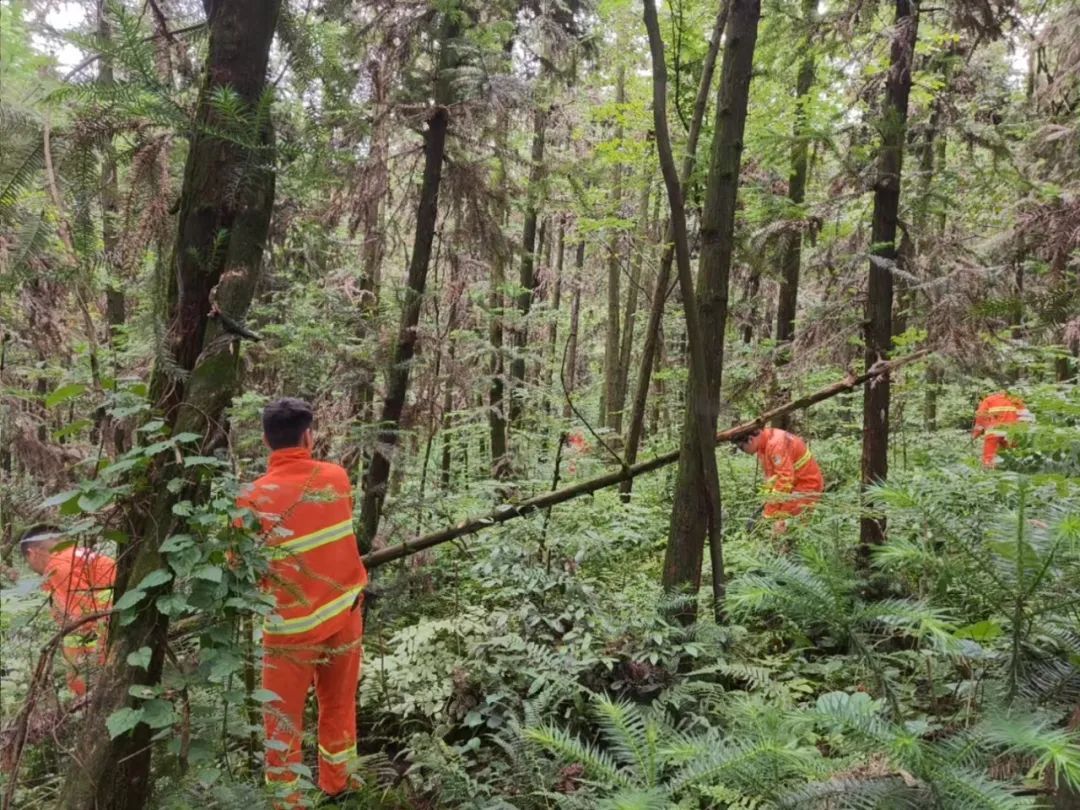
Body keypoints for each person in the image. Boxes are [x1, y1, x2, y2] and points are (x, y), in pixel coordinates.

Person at [237, 398, 368, 805]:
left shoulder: (249, 499)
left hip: (288, 631)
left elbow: (238, 566)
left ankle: (287, 801)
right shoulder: (336, 477)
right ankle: (341, 785)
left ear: (265, 440)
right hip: (343, 616)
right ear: (308, 435)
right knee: (339, 705)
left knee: (281, 723)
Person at [19, 525, 115, 696]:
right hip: (117, 616)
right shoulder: (76, 554)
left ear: (33, 553)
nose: (31, 568)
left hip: (105, 626)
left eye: (27, 561)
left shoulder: (58, 566)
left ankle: (84, 701)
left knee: (73, 657)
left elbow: (84, 616)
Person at [735, 426, 825, 534]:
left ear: (750, 439)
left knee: (781, 524)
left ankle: (786, 547)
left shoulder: (775, 444)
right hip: (794, 486)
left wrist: (770, 512)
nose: (742, 451)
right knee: (785, 522)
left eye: (741, 447)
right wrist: (768, 499)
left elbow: (785, 480)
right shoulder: (764, 445)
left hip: (807, 486)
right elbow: (773, 477)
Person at [973, 391, 1034, 467]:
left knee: (989, 458)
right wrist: (1022, 433)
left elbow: (981, 418)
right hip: (1011, 432)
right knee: (1013, 456)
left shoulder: (988, 400)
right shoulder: (1015, 399)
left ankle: (989, 472)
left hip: (993, 432)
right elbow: (1025, 417)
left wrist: (975, 434)